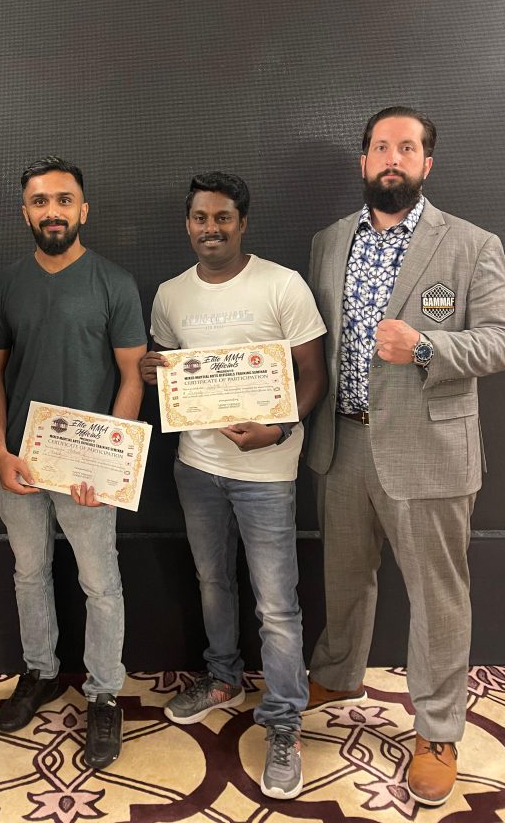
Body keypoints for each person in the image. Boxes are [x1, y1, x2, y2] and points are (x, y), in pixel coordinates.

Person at [304, 106, 505, 807]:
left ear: (427, 163)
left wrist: (426, 347)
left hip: (429, 450)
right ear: (364, 161)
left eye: (406, 147)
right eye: (379, 147)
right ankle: (337, 672)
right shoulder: (329, 241)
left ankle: (437, 730)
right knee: (344, 577)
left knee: (437, 598)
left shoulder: (471, 244)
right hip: (342, 441)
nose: (391, 158)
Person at [140, 171, 327, 800]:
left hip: (267, 471)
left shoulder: (282, 284)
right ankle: (222, 678)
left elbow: (313, 374)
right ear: (188, 224)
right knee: (212, 582)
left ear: (242, 223)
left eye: (223, 217)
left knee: (276, 604)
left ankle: (284, 721)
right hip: (196, 466)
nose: (211, 228)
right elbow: (169, 369)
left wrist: (279, 429)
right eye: (201, 218)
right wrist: (154, 370)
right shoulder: (170, 294)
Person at [0, 155, 146, 770]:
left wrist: (110, 465)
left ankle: (104, 693)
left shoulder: (114, 283)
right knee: (29, 573)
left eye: (64, 200)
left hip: (88, 471)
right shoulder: (5, 285)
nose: (53, 212)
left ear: (84, 210)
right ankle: (40, 672)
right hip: (22, 462)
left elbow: (133, 375)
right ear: (25, 212)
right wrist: (0, 451)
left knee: (100, 582)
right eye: (40, 202)